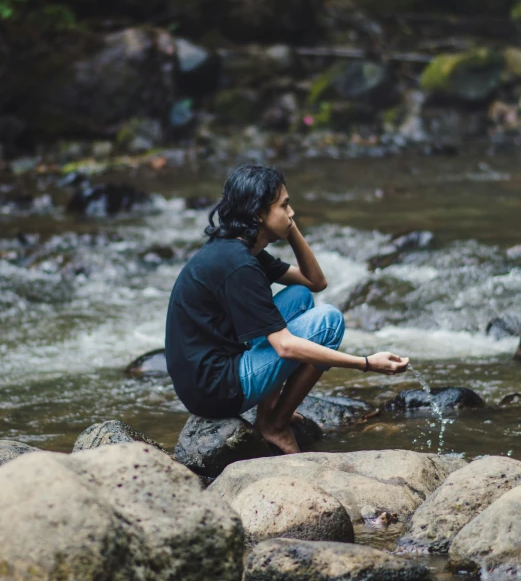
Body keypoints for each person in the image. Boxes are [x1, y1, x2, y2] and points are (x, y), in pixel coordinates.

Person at [165, 164, 409, 454]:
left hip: (209, 375)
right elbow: (285, 347)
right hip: (216, 389)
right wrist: (366, 363)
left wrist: (290, 229)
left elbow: (315, 281)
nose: (292, 213)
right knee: (329, 321)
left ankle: (268, 413)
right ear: (258, 214)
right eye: (284, 206)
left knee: (298, 296)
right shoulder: (239, 265)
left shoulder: (242, 249)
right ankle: (275, 425)